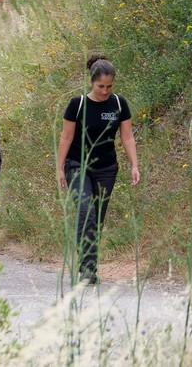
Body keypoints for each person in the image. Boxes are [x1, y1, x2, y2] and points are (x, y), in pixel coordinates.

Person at [57, 54, 140, 285]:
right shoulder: (77, 104)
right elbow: (66, 137)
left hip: (106, 168)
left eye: (109, 86)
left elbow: (127, 137)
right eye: (100, 86)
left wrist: (135, 165)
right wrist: (60, 169)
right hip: (77, 165)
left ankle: (89, 264)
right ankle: (87, 269)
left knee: (97, 218)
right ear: (91, 82)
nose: (105, 91)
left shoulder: (119, 104)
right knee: (86, 212)